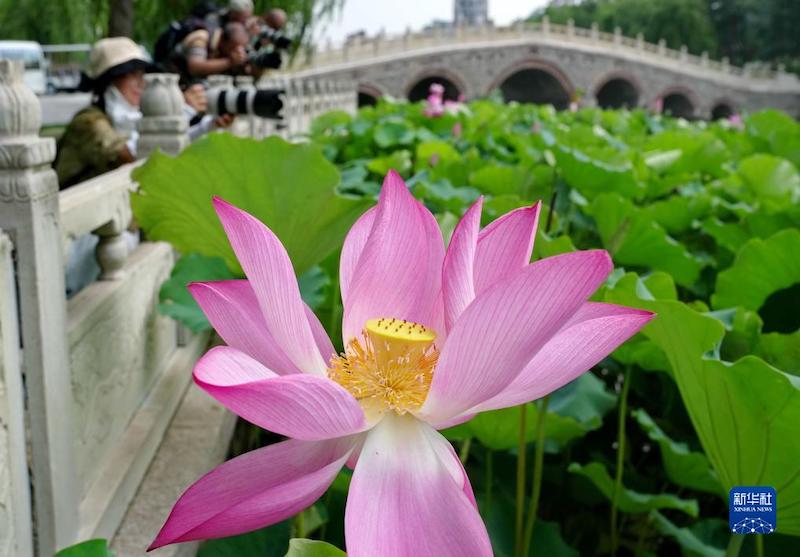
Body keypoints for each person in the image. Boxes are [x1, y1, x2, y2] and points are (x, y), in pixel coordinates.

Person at [54, 37, 151, 188]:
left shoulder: (128, 117)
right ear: (107, 81)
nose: (140, 83)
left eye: (141, 74)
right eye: (130, 74)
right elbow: (126, 155)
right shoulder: (88, 121)